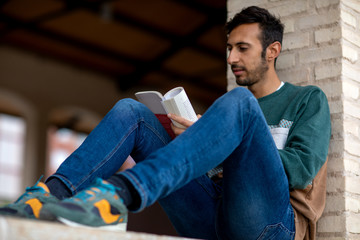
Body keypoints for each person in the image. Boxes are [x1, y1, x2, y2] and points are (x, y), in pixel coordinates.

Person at [0, 6, 331, 240]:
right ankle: (45, 198)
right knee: (132, 112)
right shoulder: (230, 108)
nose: (231, 59)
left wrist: (222, 151)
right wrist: (201, 142)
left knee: (240, 104)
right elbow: (214, 173)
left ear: (272, 51)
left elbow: (302, 170)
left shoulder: (305, 99)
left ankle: (116, 195)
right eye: (229, 48)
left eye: (242, 48)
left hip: (270, 225)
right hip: (211, 216)